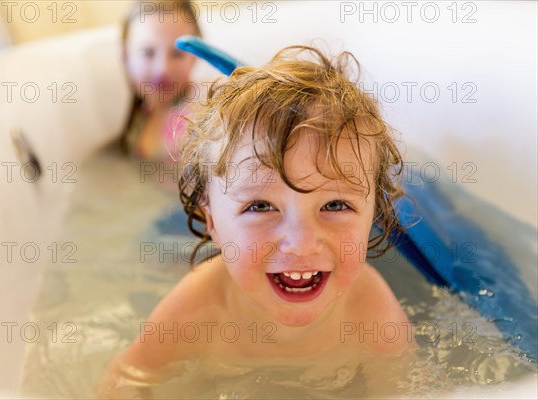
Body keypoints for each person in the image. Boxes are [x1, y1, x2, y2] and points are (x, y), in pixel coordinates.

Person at [100, 45, 413, 397]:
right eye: (262, 206)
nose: (302, 242)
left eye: (335, 204)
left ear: (375, 212)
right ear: (212, 221)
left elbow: (405, 387)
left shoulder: (368, 305)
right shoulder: (200, 306)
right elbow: (127, 380)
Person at [119, 0, 200, 160]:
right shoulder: (140, 113)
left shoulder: (204, 106)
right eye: (148, 52)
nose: (162, 69)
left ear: (196, 56)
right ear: (125, 55)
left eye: (177, 54)